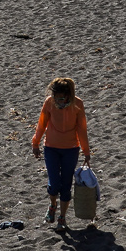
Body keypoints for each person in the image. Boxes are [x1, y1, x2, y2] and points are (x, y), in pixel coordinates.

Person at [30, 76, 91, 230]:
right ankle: (52, 206)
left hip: (71, 149)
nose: (59, 102)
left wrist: (86, 151)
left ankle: (62, 218)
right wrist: (35, 143)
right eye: (57, 98)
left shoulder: (78, 104)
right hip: (51, 148)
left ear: (68, 96)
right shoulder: (49, 103)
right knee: (54, 182)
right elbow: (41, 124)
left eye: (62, 99)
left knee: (65, 186)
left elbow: (82, 129)